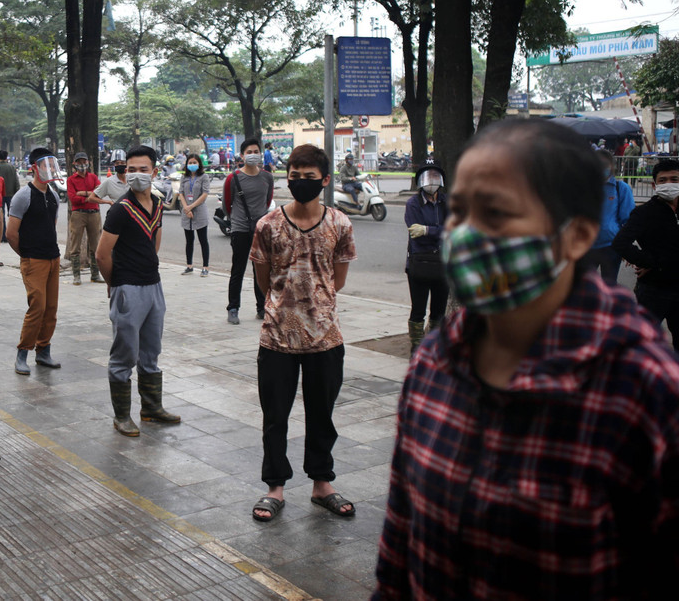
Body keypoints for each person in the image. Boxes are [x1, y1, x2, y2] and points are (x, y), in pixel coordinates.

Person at [373, 119, 679, 599]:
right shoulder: (435, 358)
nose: (465, 233)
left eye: (495, 213)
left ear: (576, 235)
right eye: (458, 211)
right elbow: (399, 545)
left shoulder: (644, 387)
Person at [249, 143, 357, 522]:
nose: (300, 183)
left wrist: (314, 304)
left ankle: (321, 483)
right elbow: (263, 279)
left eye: (309, 178)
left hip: (325, 338)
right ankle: (274, 487)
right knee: (275, 415)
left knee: (322, 414)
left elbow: (337, 280)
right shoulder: (268, 225)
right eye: (294, 176)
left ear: (324, 180)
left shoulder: (340, 223)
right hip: (277, 338)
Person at [95, 145, 180, 437]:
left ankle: (151, 408)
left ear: (154, 172)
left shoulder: (156, 203)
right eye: (131, 169)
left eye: (143, 170)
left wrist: (149, 265)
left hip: (153, 286)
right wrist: (113, 283)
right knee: (124, 354)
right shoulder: (120, 210)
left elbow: (154, 238)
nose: (136, 175)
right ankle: (121, 416)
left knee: (151, 351)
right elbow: (101, 255)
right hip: (128, 288)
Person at [7, 148, 64, 373]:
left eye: (52, 164)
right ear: (34, 167)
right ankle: (23, 353)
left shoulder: (53, 194)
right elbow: (11, 233)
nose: (49, 169)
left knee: (51, 308)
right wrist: (26, 255)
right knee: (37, 307)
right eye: (44, 165)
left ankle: (44, 351)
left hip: (53, 258)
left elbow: (52, 226)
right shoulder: (23, 196)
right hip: (33, 260)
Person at [612, 158, 679, 348]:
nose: (669, 184)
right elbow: (621, 242)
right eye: (663, 180)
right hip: (654, 290)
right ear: (654, 185)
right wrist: (651, 262)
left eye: (674, 179)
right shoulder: (645, 213)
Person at [224, 137, 274, 324]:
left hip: (260, 231)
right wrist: (238, 220)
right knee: (238, 269)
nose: (253, 155)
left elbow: (267, 202)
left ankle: (262, 307)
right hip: (240, 229)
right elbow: (228, 205)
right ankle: (233, 308)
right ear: (242, 155)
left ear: (260, 154)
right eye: (249, 152)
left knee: (260, 269)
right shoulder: (233, 178)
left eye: (255, 152)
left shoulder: (267, 177)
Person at [404, 165, 449, 355]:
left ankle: (434, 344)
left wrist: (428, 230)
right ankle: (416, 345)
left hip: (443, 263)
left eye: (435, 176)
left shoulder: (447, 202)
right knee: (418, 310)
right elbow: (415, 232)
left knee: (439, 310)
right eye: (427, 177)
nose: (432, 181)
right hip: (420, 263)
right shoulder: (413, 204)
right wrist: (437, 232)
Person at [582, 148, 634, 286]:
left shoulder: (620, 188)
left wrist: (627, 248)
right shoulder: (584, 188)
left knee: (609, 285)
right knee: (585, 286)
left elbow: (628, 220)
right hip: (587, 246)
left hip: (612, 247)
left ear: (612, 166)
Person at [65, 151, 103, 285]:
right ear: (74, 163)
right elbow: (73, 199)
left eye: (84, 161)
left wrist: (84, 193)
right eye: (79, 162)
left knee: (95, 245)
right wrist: (90, 196)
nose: (82, 164)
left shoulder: (93, 177)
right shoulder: (70, 180)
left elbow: (100, 193)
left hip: (94, 213)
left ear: (88, 162)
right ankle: (76, 276)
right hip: (78, 214)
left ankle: (95, 275)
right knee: (75, 245)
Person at [178, 154, 210, 276]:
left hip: (199, 211)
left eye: (194, 162)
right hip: (186, 211)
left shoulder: (204, 177)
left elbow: (205, 194)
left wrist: (191, 207)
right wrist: (186, 207)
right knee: (189, 240)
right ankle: (189, 266)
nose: (192, 165)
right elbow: (181, 192)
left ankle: (205, 267)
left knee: (203, 240)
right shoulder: (184, 177)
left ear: (199, 164)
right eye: (190, 162)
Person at [0, 149, 20, 243]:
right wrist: (17, 193)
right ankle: (12, 233)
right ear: (6, 157)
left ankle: (3, 236)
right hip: (11, 194)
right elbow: (16, 181)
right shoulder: (11, 167)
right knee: (13, 215)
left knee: (0, 215)